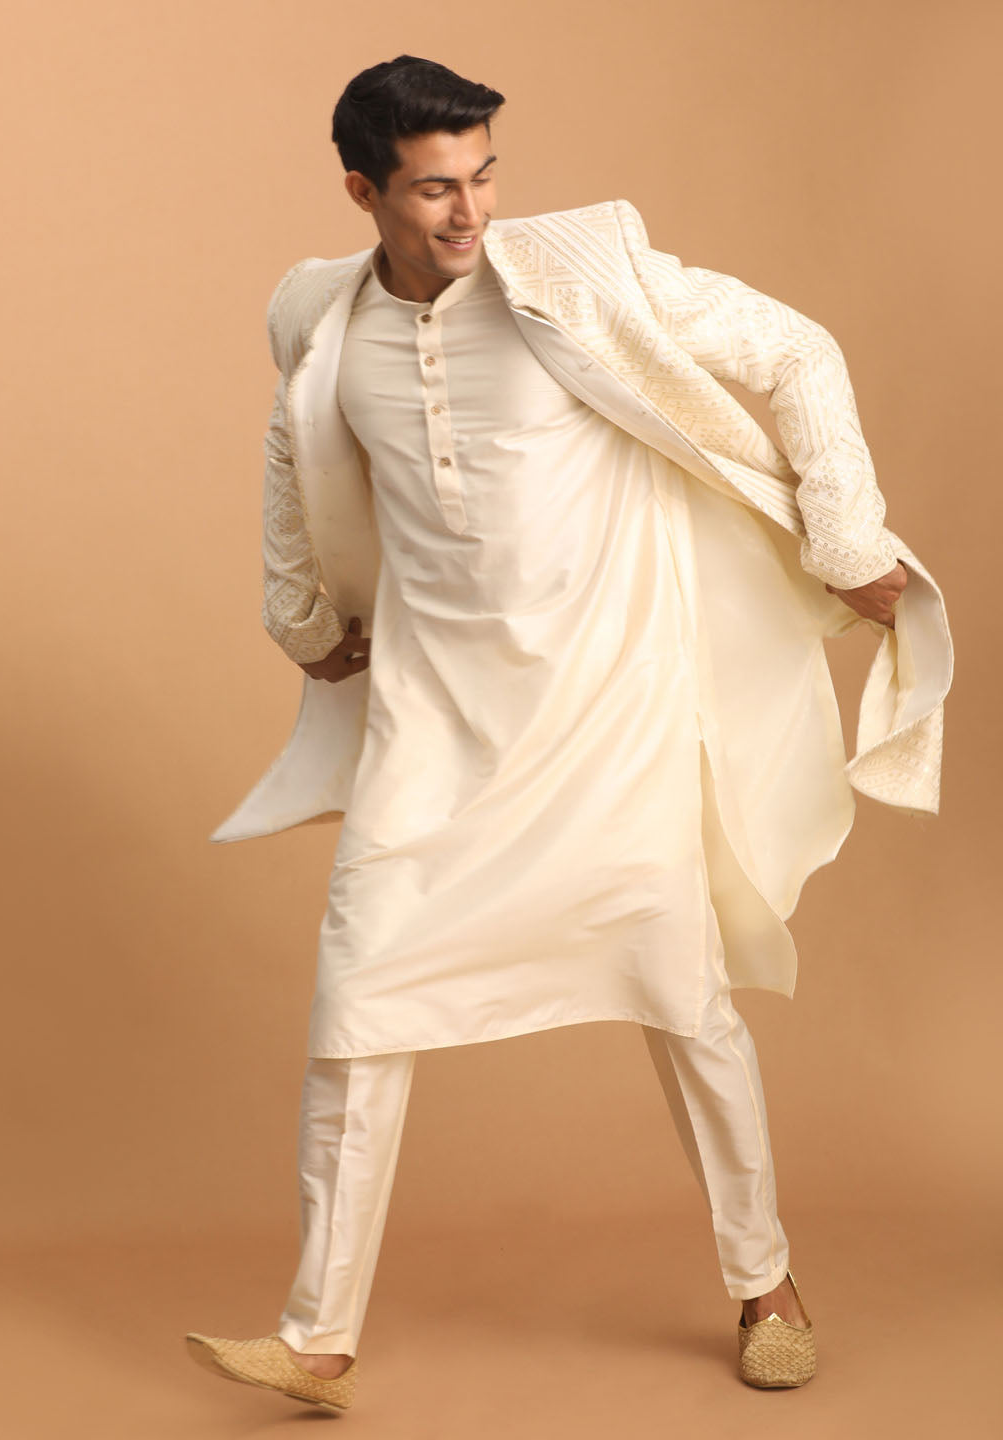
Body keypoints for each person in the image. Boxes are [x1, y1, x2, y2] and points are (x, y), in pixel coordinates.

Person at [185, 55, 952, 1409]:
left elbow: (794, 351)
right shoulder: (316, 310)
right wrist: (299, 613)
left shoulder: (582, 269)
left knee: (682, 998)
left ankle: (768, 1284)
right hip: (434, 720)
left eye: (484, 175)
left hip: (611, 706)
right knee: (358, 1005)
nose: (470, 211)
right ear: (364, 192)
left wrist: (844, 535)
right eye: (434, 188)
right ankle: (317, 1339)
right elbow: (291, 446)